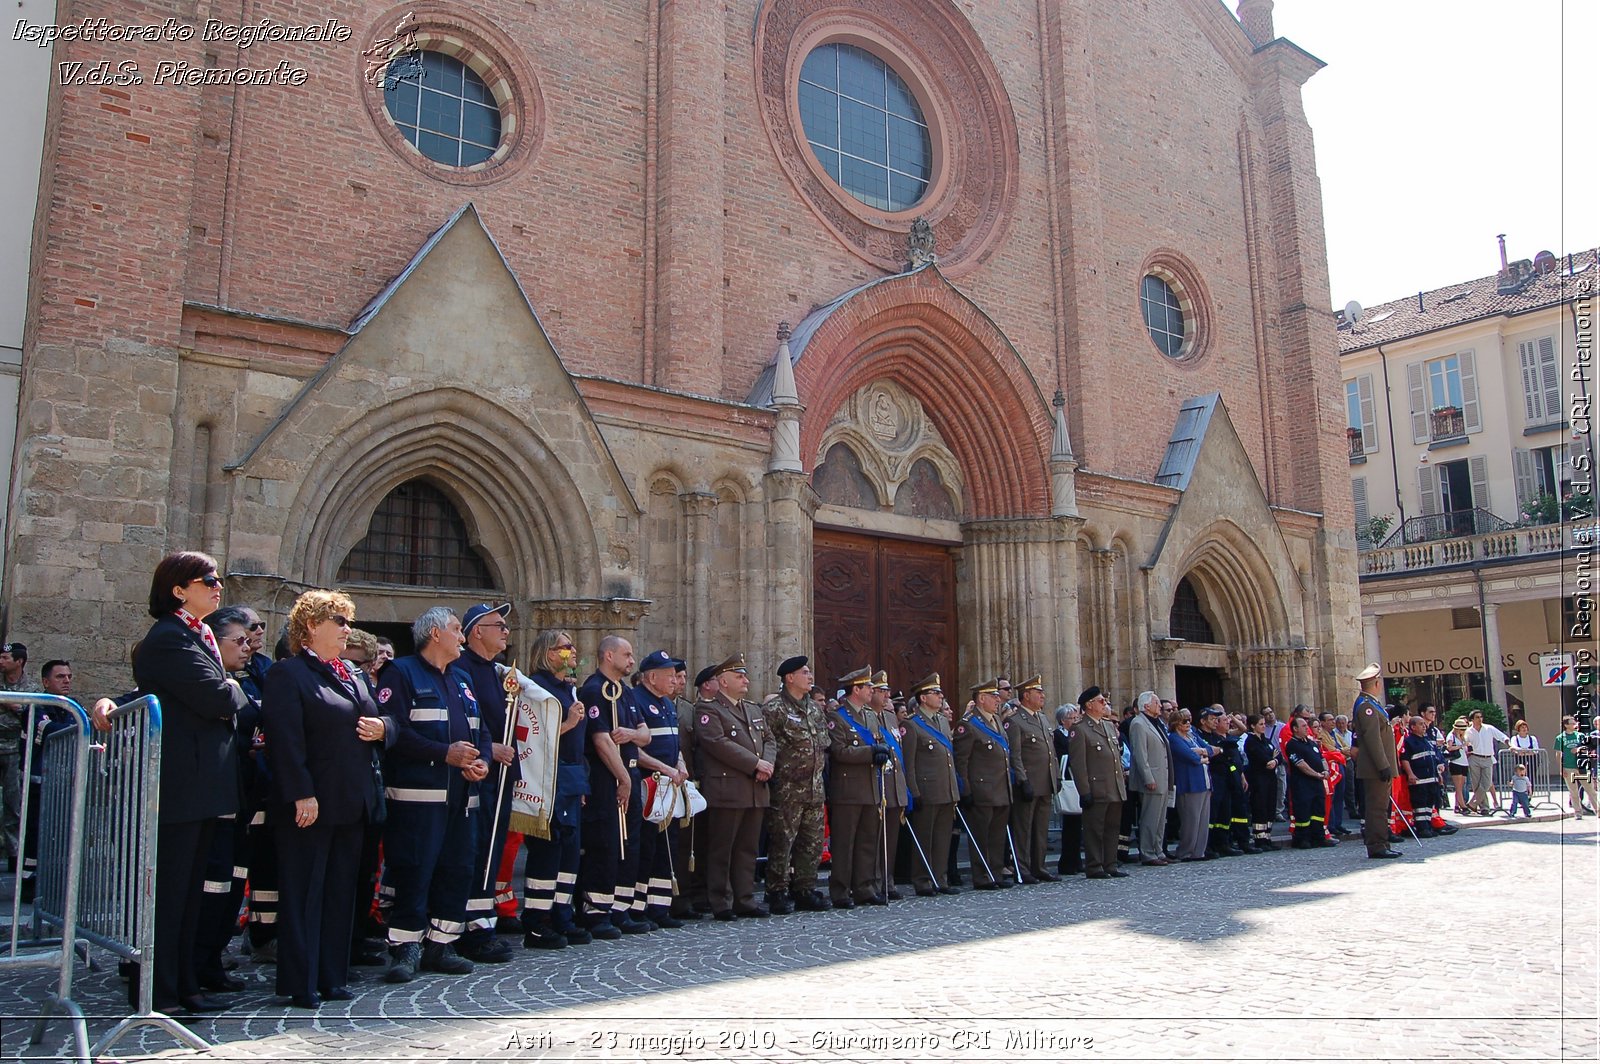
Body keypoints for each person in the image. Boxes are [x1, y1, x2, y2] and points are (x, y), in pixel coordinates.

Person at [260, 590, 390, 1008]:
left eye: (347, 621)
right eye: (339, 621)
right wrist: (301, 793)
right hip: (311, 803)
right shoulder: (289, 674)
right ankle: (301, 981)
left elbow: (385, 719)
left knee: (339, 892)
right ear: (312, 626)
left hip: (352, 800)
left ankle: (332, 976)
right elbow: (285, 741)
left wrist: (384, 729)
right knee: (304, 893)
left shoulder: (351, 673)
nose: (347, 629)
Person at [134, 551, 251, 1014]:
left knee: (189, 893)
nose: (218, 586)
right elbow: (215, 696)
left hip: (202, 786)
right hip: (182, 786)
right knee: (173, 893)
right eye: (208, 580)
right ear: (179, 588)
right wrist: (237, 690)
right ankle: (160, 990)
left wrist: (230, 691)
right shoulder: (168, 638)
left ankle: (183, 984)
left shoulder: (194, 634)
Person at [375, 606, 490, 983]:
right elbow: (396, 732)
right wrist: (444, 754)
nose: (462, 636)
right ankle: (405, 948)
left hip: (462, 798)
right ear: (435, 634)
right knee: (414, 869)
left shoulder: (461, 678)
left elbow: (481, 730)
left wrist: (483, 761)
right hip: (416, 799)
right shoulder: (401, 672)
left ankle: (442, 944)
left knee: (457, 869)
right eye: (457, 629)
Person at [451, 603, 521, 963]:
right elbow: (463, 717)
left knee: (491, 853)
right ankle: (470, 928)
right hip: (478, 775)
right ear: (476, 631)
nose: (506, 631)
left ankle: (482, 922)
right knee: (476, 851)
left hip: (500, 776)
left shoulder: (495, 672)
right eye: (499, 625)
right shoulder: (462, 668)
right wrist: (489, 747)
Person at [518, 630, 590, 948]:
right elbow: (532, 737)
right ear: (549, 654)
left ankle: (563, 916)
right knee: (547, 852)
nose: (573, 651)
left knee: (570, 853)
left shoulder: (569, 689)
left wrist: (582, 781)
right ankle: (537, 920)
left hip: (571, 778)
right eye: (565, 647)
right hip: (547, 778)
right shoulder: (536, 689)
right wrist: (569, 723)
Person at [576, 635, 652, 936]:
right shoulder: (595, 690)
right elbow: (600, 739)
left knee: (629, 845)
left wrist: (630, 735)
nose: (632, 660)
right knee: (606, 842)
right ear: (608, 655)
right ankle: (596, 910)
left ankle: (620, 908)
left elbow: (645, 734)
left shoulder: (626, 692)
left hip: (630, 774)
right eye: (627, 654)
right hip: (607, 778)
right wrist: (621, 777)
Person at [694, 653, 775, 919]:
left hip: (755, 789)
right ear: (723, 681)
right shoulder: (709, 709)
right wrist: (756, 764)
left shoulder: (752, 709)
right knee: (723, 848)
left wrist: (767, 764)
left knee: (748, 848)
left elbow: (770, 740)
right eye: (739, 676)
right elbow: (717, 743)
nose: (746, 680)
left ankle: (745, 898)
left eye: (745, 676)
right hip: (727, 790)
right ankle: (721, 901)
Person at [762, 656, 830, 913]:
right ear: (790, 677)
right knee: (782, 841)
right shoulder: (775, 709)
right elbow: (768, 744)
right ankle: (776, 890)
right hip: (787, 789)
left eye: (810, 672)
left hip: (814, 788)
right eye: (805, 672)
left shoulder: (814, 708)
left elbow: (823, 743)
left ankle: (805, 888)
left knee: (811, 842)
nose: (810, 677)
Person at [630, 649, 689, 927]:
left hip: (669, 787)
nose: (675, 680)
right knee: (647, 846)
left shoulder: (666, 703)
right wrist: (665, 769)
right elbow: (634, 750)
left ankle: (659, 907)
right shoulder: (637, 701)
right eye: (669, 675)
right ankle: (638, 908)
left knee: (667, 847)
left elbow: (674, 743)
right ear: (652, 677)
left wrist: (680, 764)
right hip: (648, 784)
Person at [826, 666, 892, 906]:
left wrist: (881, 752)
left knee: (867, 840)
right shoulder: (837, 717)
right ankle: (841, 889)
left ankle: (864, 886)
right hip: (848, 790)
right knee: (845, 842)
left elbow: (880, 741)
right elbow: (839, 751)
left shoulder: (871, 715)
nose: (873, 691)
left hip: (871, 787)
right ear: (857, 689)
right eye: (869, 687)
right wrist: (870, 752)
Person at [954, 678, 1017, 889]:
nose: (998, 700)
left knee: (997, 836)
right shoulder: (968, 724)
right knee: (981, 835)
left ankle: (996, 872)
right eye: (993, 696)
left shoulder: (996, 721)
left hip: (1000, 787)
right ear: (981, 698)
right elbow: (962, 761)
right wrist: (966, 789)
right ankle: (982, 875)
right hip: (982, 789)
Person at [904, 673, 961, 895]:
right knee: (925, 838)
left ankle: (940, 877)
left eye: (940, 693)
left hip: (946, 789)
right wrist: (914, 791)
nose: (940, 697)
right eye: (935, 693)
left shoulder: (942, 722)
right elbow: (909, 762)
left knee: (942, 838)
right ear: (923, 698)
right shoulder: (912, 725)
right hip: (926, 790)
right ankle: (922, 879)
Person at [1069, 686, 1128, 879]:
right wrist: (1084, 791)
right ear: (1089, 705)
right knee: (1095, 829)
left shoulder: (1108, 726)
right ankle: (1094, 865)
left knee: (1112, 828)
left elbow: (1114, 758)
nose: (1105, 705)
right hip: (1097, 787)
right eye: (1101, 701)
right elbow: (1078, 764)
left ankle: (1109, 863)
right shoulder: (1080, 729)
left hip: (1114, 786)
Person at [1004, 675, 1058, 883]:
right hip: (1028, 782)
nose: (1043, 695)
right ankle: (1022, 867)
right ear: (1026, 696)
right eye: (1038, 692)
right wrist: (1022, 779)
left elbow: (1050, 751)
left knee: (1041, 828)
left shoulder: (1042, 718)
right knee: (1024, 828)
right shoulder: (1015, 721)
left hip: (1045, 781)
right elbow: (1015, 754)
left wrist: (1056, 776)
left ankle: (1039, 865)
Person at [1351, 665, 1402, 859]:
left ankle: (1382, 842)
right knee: (1376, 808)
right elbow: (1373, 739)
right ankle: (1377, 844)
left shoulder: (1371, 704)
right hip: (1374, 766)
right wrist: (1383, 765)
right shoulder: (1367, 707)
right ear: (1377, 683)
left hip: (1377, 765)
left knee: (1380, 807)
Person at [869, 670, 910, 898]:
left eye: (886, 691)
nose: (886, 695)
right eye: (881, 691)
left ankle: (888, 880)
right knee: (874, 839)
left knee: (891, 837)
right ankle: (873, 881)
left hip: (894, 784)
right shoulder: (866, 716)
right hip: (876, 784)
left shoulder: (890, 718)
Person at [0, 641, 38, 875]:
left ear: (19, 661)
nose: (1, 662)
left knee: (14, 805)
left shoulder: (31, 688)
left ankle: (15, 855)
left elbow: (33, 713)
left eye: (5, 658)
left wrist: (19, 708)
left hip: (15, 750)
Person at [1126, 691, 1171, 866]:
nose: (1160, 706)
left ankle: (1158, 849)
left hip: (1163, 776)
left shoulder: (1157, 723)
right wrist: (1147, 777)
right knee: (1150, 817)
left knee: (1160, 818)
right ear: (1146, 706)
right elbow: (1139, 753)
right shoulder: (1139, 724)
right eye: (1157, 703)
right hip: (1152, 777)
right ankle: (1148, 852)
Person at [1167, 708, 1211, 862]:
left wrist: (1200, 753)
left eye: (1189, 720)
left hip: (1204, 781)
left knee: (1203, 820)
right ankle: (1186, 851)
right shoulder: (1174, 738)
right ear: (1176, 723)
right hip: (1189, 783)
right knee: (1190, 820)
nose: (1188, 724)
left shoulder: (1192, 735)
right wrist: (1200, 755)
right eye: (1184, 721)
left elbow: (1210, 750)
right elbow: (1190, 757)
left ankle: (1199, 852)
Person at [1052, 704, 1084, 875]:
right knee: (1070, 825)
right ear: (1063, 720)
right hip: (1068, 779)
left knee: (1077, 825)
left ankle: (1076, 859)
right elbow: (1061, 755)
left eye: (1076, 718)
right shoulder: (1058, 735)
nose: (1075, 721)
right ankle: (1067, 862)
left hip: (1077, 780)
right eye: (1072, 718)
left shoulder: (1076, 734)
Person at [1242, 713, 1280, 851]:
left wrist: (1275, 760)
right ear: (1253, 726)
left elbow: (1278, 754)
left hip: (1270, 776)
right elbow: (1259, 756)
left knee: (1270, 806)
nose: (1264, 727)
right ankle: (1260, 838)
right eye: (1261, 724)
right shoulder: (1251, 741)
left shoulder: (1266, 740)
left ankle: (1267, 837)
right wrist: (1270, 758)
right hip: (1258, 778)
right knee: (1260, 806)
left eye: (1264, 724)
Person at [1399, 716, 1442, 838]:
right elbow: (1405, 759)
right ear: (1413, 727)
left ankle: (1428, 826)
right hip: (1419, 780)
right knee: (1420, 805)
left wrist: (1438, 774)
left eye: (1424, 724)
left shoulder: (1427, 740)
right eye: (1421, 724)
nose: (1425, 726)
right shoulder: (1409, 741)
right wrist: (1411, 774)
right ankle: (1422, 828)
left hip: (1431, 779)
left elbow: (1433, 758)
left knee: (1429, 805)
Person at [1464, 709, 1509, 814]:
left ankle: (1472, 804)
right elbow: (1465, 742)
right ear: (1472, 719)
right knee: (1477, 784)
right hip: (1474, 757)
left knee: (1487, 782)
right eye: (1477, 717)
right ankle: (1484, 807)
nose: (1480, 719)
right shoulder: (1468, 731)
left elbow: (1502, 736)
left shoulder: (1489, 728)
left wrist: (1509, 744)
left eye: (1481, 717)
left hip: (1488, 758)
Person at [1555, 716, 1596, 818]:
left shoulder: (1580, 736)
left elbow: (1588, 748)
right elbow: (1558, 754)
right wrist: (1561, 768)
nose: (1575, 724)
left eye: (1575, 723)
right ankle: (1578, 813)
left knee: (1590, 790)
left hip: (1582, 766)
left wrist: (1578, 749)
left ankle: (1597, 810)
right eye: (1572, 723)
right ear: (1566, 725)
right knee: (1573, 791)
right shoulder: (1560, 738)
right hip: (1569, 767)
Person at [1444, 717, 1472, 813]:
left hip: (1464, 762)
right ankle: (1463, 806)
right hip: (1455, 763)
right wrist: (1461, 746)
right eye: (1461, 729)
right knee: (1458, 787)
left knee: (1461, 785)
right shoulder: (1451, 736)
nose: (1463, 731)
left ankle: (1457, 805)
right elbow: (1449, 748)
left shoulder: (1462, 737)